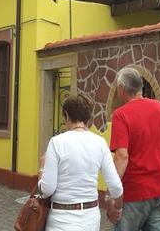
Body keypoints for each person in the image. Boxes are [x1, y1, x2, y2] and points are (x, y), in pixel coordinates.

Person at [108, 67, 160, 231]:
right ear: (139, 87)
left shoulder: (121, 115)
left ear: (121, 89)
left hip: (134, 193)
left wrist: (112, 193)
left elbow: (122, 156)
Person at [37, 95, 123, 231]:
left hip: (61, 220)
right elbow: (116, 187)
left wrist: (41, 169)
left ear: (66, 115)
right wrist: (117, 207)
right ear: (87, 118)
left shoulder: (57, 142)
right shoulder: (99, 143)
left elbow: (46, 190)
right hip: (90, 219)